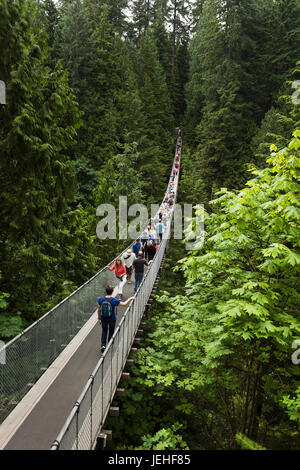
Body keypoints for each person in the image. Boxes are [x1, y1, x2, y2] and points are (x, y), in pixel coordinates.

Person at [98, 285, 134, 353]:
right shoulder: (114, 300)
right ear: (112, 291)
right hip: (112, 318)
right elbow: (124, 304)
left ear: (106, 291)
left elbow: (98, 309)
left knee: (104, 331)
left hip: (103, 318)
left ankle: (103, 345)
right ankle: (110, 344)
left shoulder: (101, 299)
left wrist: (99, 318)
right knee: (111, 331)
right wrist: (130, 298)